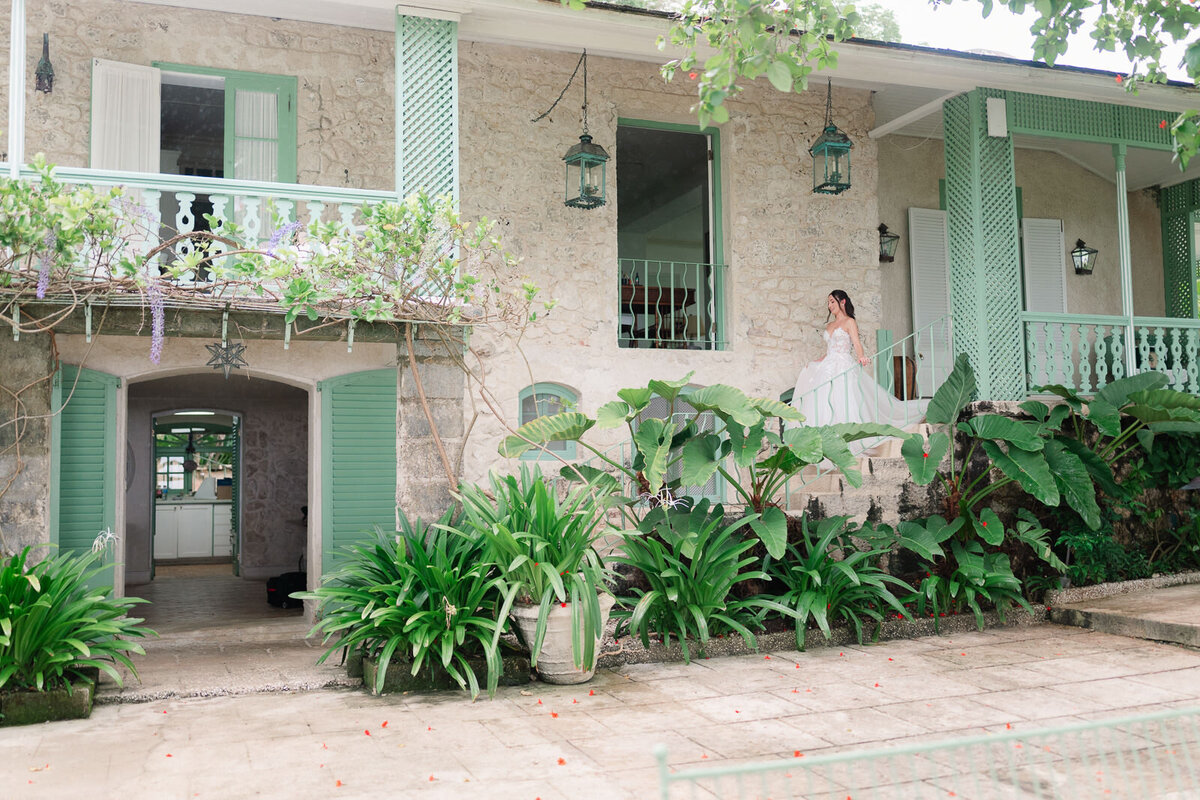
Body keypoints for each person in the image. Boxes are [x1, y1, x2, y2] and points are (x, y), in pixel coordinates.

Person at [790, 289, 927, 436]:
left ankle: (847, 435)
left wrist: (861, 356)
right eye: (828, 303)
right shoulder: (829, 325)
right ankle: (825, 435)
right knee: (824, 398)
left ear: (842, 301)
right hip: (828, 365)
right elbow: (830, 350)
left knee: (843, 398)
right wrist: (815, 363)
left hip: (842, 365)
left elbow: (856, 343)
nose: (829, 305)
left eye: (832, 301)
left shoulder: (849, 322)